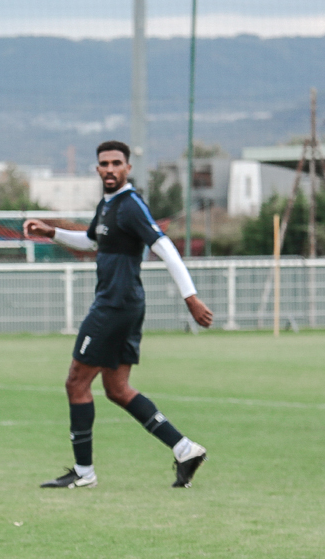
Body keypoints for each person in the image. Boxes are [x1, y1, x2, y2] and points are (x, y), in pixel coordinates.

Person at [24, 140, 214, 489]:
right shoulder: (108, 205)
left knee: (76, 382)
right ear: (97, 169)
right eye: (104, 163)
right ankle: (186, 449)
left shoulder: (130, 206)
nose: (109, 169)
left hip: (114, 306)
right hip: (124, 305)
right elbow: (92, 241)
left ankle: (83, 473)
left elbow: (165, 246)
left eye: (116, 163)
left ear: (127, 168)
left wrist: (191, 297)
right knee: (117, 388)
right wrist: (52, 232)